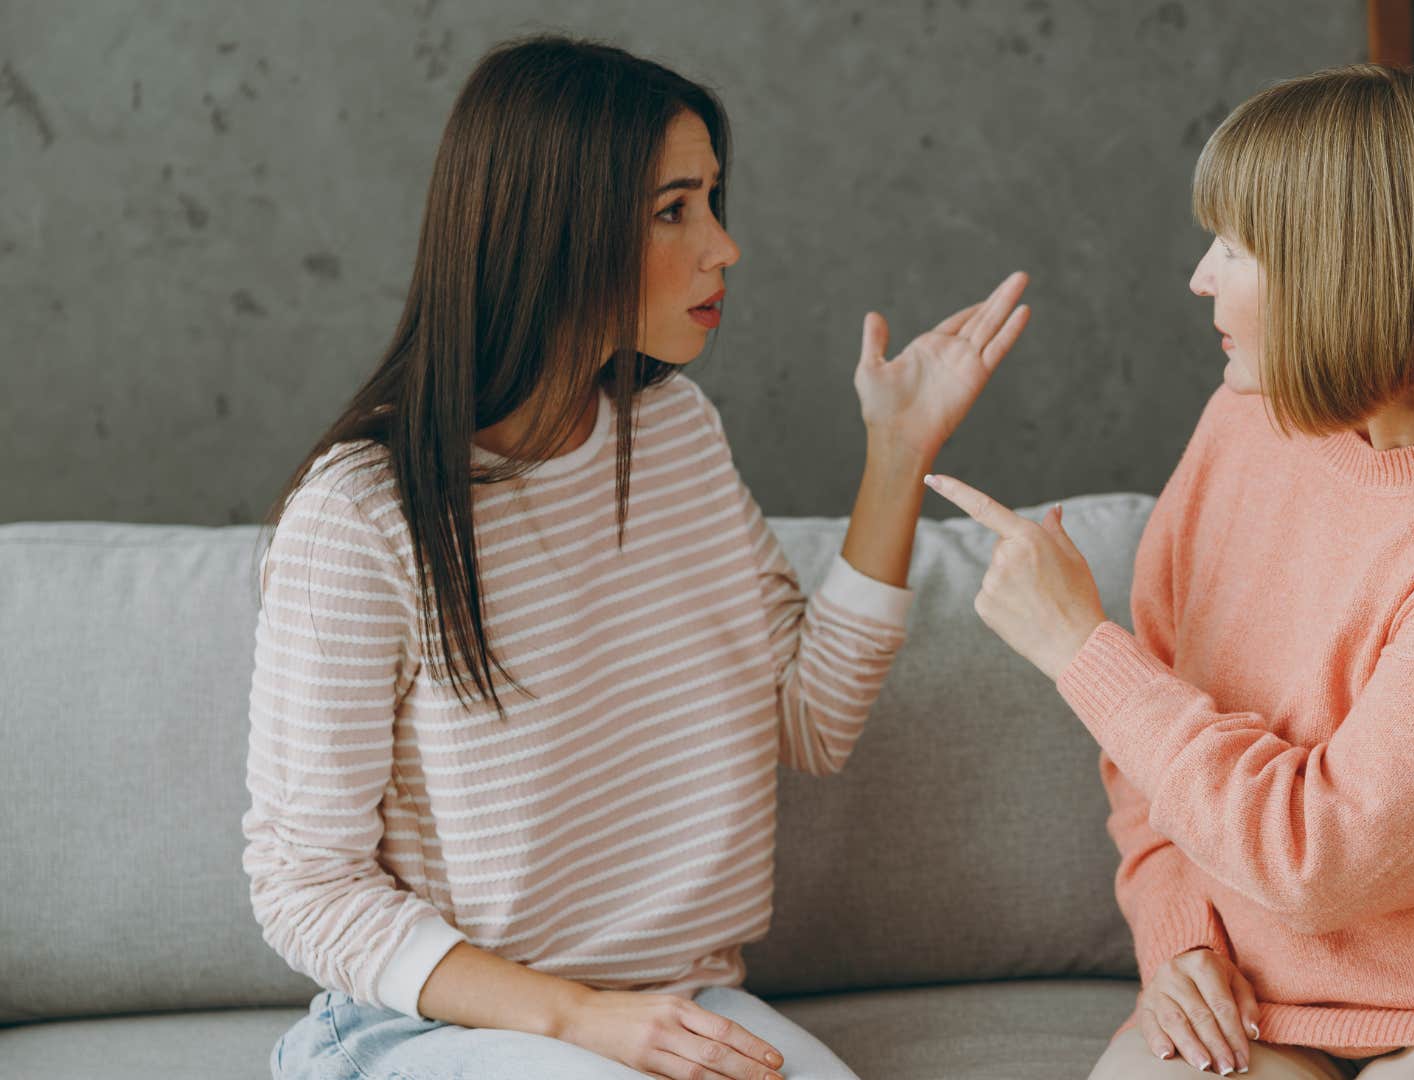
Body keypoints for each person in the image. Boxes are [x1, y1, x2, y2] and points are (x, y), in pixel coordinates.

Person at [245, 34, 1029, 1080]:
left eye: (712, 199)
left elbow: (811, 718)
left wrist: (897, 457)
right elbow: (305, 886)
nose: (724, 246)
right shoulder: (363, 514)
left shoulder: (675, 435)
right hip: (436, 1029)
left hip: (677, 1000)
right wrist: (579, 1022)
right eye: (674, 210)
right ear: (553, 232)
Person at [925, 63, 1414, 1080]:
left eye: (1233, 247)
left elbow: (1325, 860)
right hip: (1255, 995)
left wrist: (1080, 650)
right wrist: (1179, 936)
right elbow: (1152, 745)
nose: (1199, 279)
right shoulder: (1246, 420)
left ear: (1335, 264)